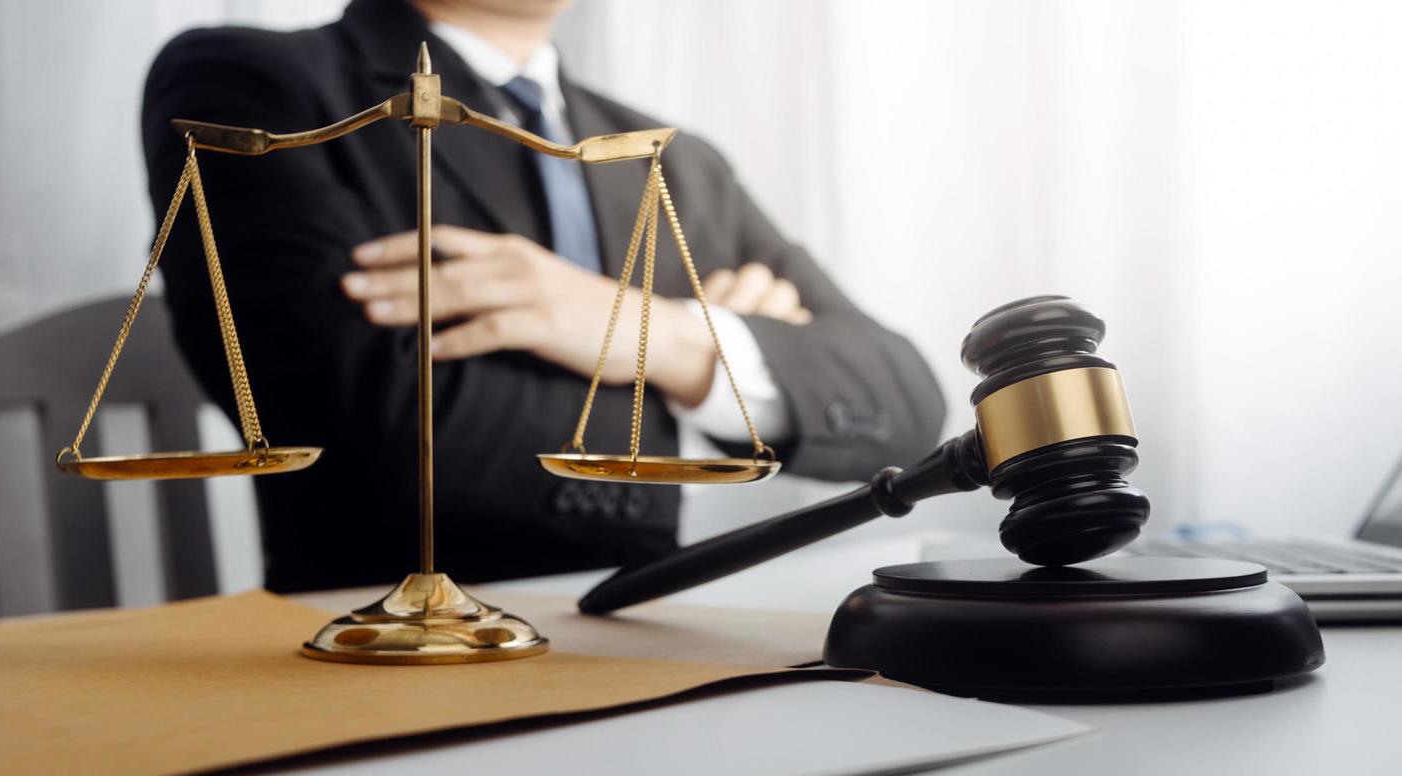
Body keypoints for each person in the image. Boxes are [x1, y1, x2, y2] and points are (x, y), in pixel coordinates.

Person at [143, 0, 945, 592]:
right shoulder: (251, 85)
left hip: (669, 648)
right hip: (378, 660)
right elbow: (371, 426)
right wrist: (719, 370)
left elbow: (903, 405)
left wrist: (651, 334)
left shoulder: (674, 161)